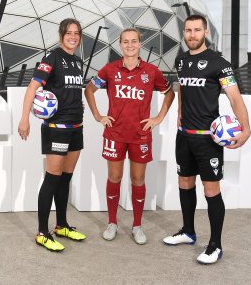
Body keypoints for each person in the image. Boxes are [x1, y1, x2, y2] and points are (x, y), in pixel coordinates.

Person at [163, 14, 251, 264]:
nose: (192, 35)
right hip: (185, 136)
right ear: (184, 33)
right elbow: (182, 87)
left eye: (197, 30)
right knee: (184, 183)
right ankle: (188, 232)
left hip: (208, 139)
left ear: (206, 33)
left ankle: (215, 245)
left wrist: (246, 129)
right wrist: (180, 111)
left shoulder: (219, 63)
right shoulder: (180, 60)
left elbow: (234, 97)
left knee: (211, 189)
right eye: (188, 30)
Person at [84, 28, 175, 244]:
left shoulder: (152, 71)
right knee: (114, 178)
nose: (130, 45)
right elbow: (89, 90)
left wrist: (158, 117)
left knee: (138, 179)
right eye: (126, 41)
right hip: (115, 134)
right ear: (120, 45)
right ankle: (112, 222)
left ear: (140, 44)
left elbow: (169, 93)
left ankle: (137, 226)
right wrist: (98, 116)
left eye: (134, 41)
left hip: (140, 135)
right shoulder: (109, 70)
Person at [18, 18, 86, 252]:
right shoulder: (52, 58)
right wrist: (25, 118)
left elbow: (69, 89)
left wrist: (79, 103)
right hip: (56, 128)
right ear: (61, 35)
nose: (73, 37)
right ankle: (42, 232)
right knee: (52, 177)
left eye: (77, 33)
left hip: (76, 126)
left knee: (66, 178)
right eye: (69, 33)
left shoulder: (78, 61)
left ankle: (61, 225)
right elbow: (33, 88)